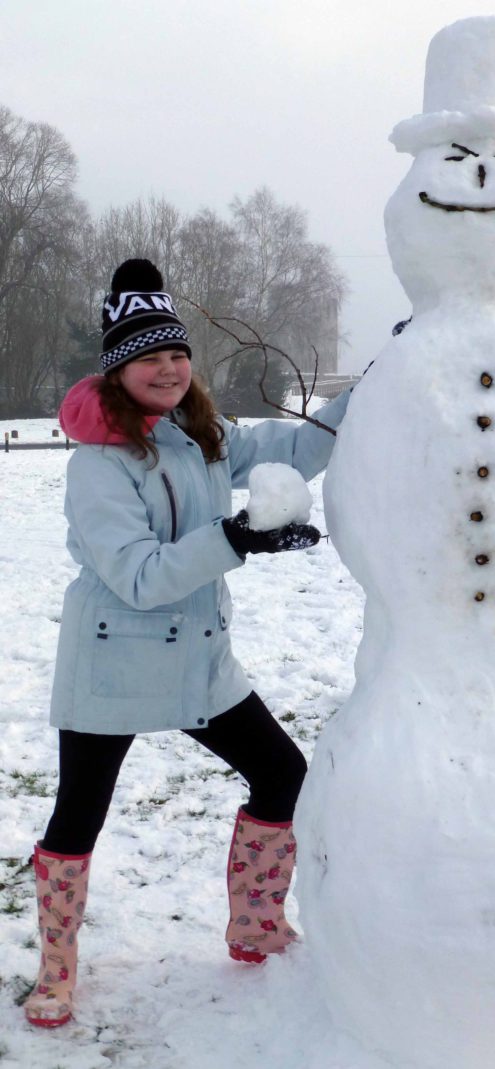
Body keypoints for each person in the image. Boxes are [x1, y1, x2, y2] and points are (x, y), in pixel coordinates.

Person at [24, 259, 350, 1028]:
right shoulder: (98, 464)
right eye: (147, 357)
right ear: (117, 371)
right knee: (78, 816)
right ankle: (57, 970)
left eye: (176, 354)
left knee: (282, 774)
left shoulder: (202, 436)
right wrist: (237, 536)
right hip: (111, 665)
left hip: (199, 663)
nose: (167, 368)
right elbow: (137, 575)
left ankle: (256, 924)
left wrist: (379, 378)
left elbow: (297, 450)